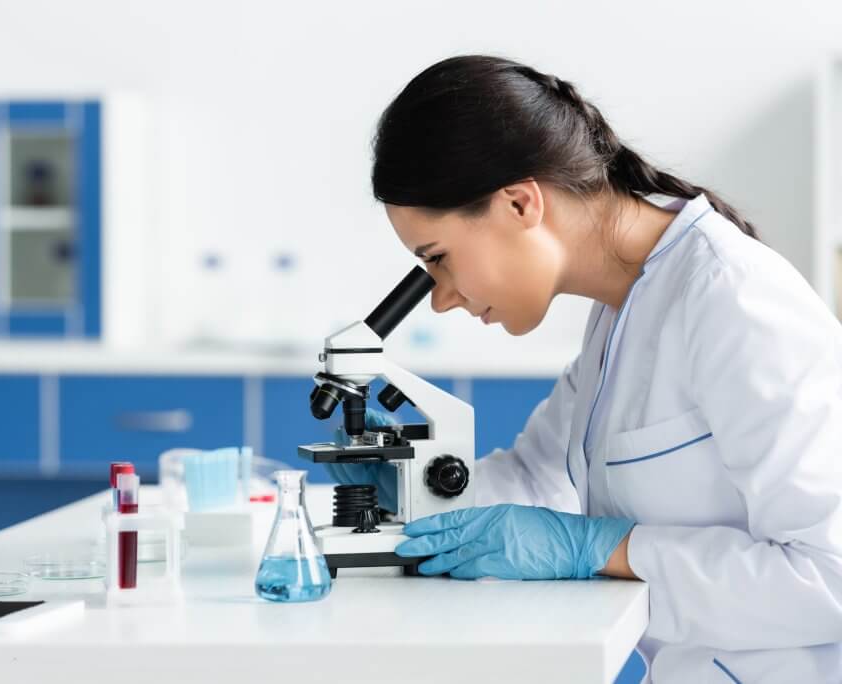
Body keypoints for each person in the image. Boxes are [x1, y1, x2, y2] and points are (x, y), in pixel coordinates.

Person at [329, 55, 842, 682]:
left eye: (438, 258)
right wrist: (409, 487)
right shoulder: (622, 311)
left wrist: (598, 548)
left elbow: (830, 578)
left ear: (519, 203)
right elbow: (533, 481)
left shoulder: (733, 299)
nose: (441, 296)